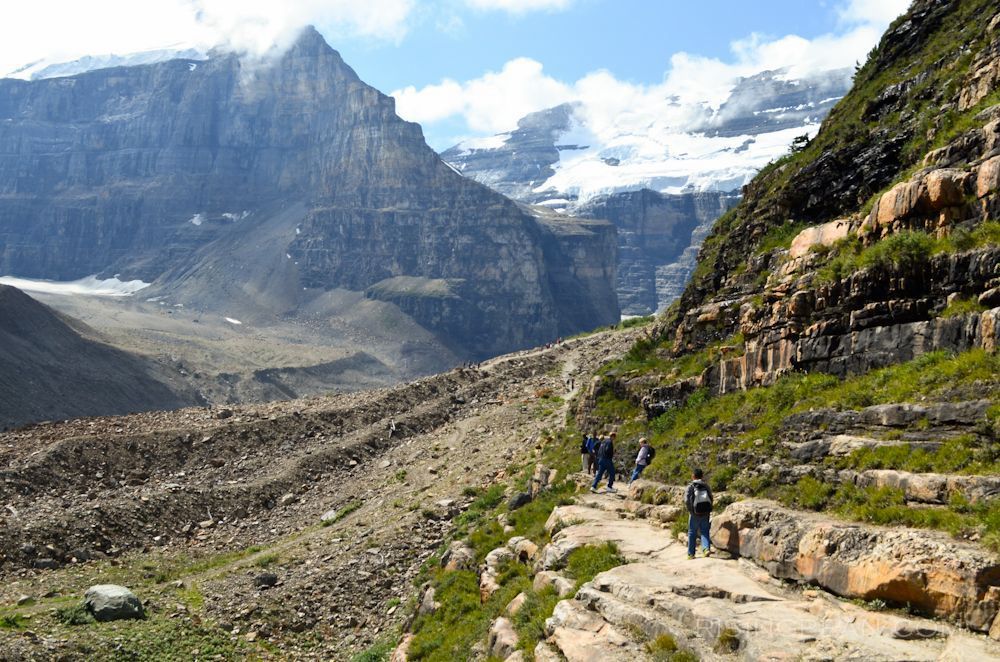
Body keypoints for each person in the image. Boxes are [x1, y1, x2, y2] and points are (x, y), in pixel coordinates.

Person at [685, 468, 713, 559]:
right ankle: (706, 549)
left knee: (692, 532)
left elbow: (686, 500)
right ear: (702, 476)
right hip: (705, 512)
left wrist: (691, 510)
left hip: (694, 513)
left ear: (693, 476)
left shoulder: (690, 486)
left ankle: (691, 554)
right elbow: (711, 497)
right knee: (704, 531)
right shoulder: (706, 486)